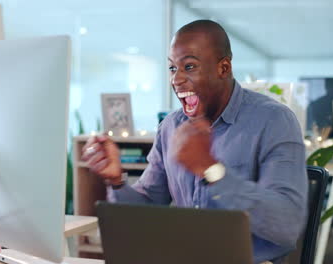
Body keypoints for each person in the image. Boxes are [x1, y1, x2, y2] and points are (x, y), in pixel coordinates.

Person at [82, 19, 307, 264]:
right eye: (172, 68)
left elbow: (287, 224)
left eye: (189, 66)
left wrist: (211, 170)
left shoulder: (274, 120)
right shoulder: (171, 127)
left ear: (224, 68)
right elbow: (147, 207)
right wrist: (116, 179)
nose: (176, 80)